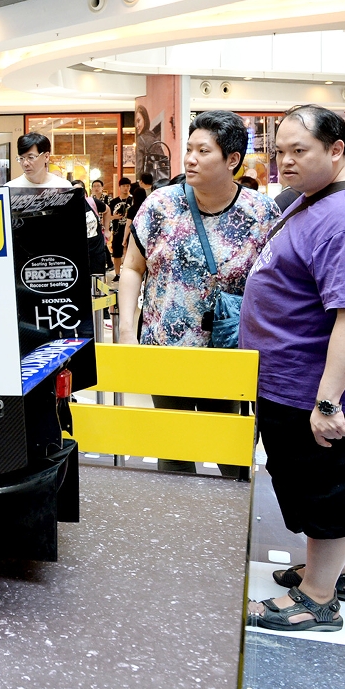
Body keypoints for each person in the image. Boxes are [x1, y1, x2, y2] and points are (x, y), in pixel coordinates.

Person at [242, 104, 345, 632]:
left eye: (300, 151)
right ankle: (332, 569)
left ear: (337, 150)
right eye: (280, 151)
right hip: (289, 379)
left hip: (310, 387)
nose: (286, 162)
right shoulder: (317, 199)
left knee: (328, 487)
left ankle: (318, 597)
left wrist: (327, 402)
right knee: (307, 483)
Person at [118, 110, 280, 475]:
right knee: (173, 451)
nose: (190, 158)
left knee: (231, 451)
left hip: (229, 354)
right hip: (166, 351)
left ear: (232, 160)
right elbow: (132, 268)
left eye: (203, 151)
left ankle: (234, 526)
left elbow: (275, 285)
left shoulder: (262, 212)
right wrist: (127, 332)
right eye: (189, 149)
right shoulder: (160, 205)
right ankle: (181, 528)